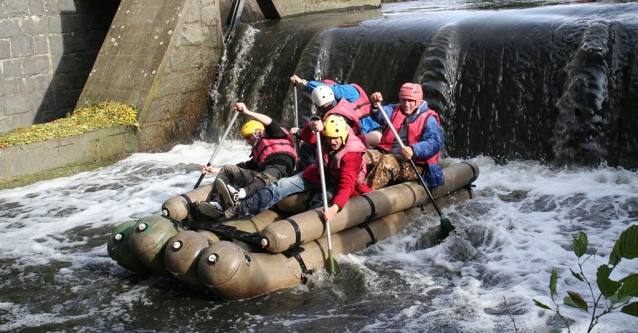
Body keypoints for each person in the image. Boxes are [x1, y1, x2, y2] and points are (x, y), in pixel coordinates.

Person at [220, 114, 372, 221]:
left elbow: (347, 184)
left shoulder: (352, 153)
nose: (332, 142)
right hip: (318, 174)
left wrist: (334, 209)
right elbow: (307, 137)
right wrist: (311, 126)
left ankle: (301, 228)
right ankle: (242, 209)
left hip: (339, 184)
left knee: (323, 201)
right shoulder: (324, 135)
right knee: (280, 185)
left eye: (336, 139)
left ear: (344, 136)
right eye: (330, 138)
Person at [198, 102, 297, 218]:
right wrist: (214, 170)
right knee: (228, 169)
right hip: (261, 175)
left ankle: (239, 195)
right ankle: (216, 203)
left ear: (258, 132)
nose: (248, 142)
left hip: (280, 169)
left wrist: (247, 112)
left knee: (266, 176)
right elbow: (243, 167)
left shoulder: (275, 134)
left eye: (249, 137)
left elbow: (270, 121)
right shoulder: (257, 153)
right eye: (246, 140)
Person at [290, 75, 382, 170]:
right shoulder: (341, 105)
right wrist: (302, 129)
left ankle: (315, 173)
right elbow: (323, 123)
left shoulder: (350, 91)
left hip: (369, 131)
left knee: (307, 148)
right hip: (357, 133)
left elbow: (323, 129)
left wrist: (304, 82)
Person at [364, 83, 444, 190]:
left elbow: (435, 142)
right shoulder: (394, 109)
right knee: (363, 155)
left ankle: (364, 194)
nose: (406, 104)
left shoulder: (429, 119)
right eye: (403, 100)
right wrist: (375, 105)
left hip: (416, 164)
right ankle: (346, 185)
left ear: (419, 101)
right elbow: (381, 115)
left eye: (410, 101)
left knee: (388, 162)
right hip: (387, 152)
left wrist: (413, 150)